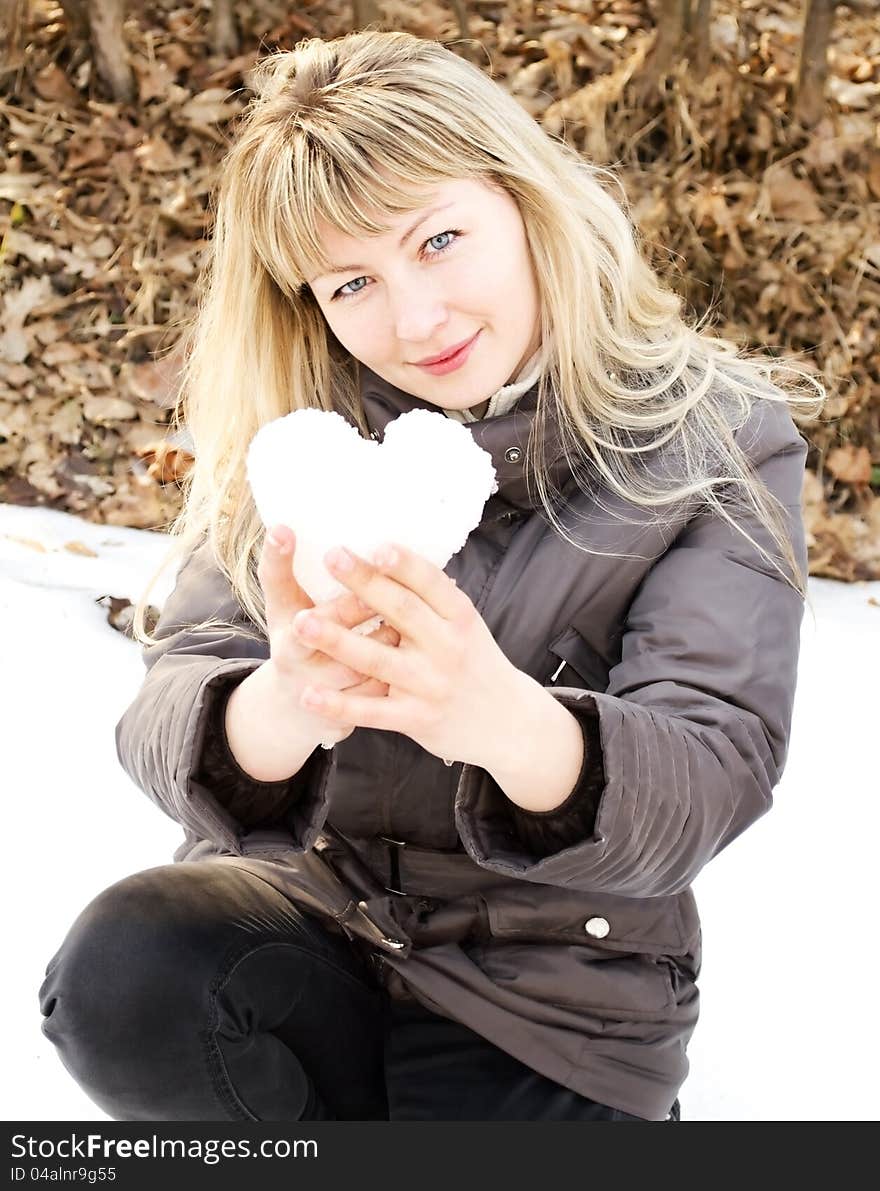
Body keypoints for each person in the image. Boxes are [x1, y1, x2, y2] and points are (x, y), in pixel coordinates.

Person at [38, 29, 824, 1122]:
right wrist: (284, 698)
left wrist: (494, 716)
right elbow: (174, 699)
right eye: (351, 281)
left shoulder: (717, 438)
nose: (415, 321)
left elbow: (711, 769)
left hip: (556, 1003)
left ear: (524, 200)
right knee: (126, 970)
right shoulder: (304, 439)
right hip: (306, 933)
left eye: (439, 239)